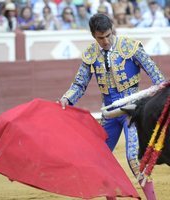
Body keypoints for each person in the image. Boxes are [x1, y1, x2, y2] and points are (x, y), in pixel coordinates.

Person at [59, 13, 165, 200]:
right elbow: (79, 84)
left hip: (132, 112)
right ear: (94, 35)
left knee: (133, 159)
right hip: (109, 114)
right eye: (101, 38)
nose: (106, 41)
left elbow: (157, 78)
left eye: (108, 35)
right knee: (101, 160)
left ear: (112, 29)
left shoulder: (130, 47)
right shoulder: (91, 54)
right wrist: (67, 98)